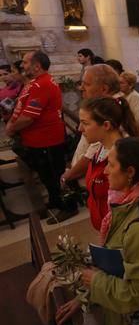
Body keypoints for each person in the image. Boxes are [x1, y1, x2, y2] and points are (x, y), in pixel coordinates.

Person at [55, 137, 139, 325]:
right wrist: (86, 295)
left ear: (130, 172)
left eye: (111, 165)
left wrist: (95, 282)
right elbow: (120, 259)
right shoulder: (135, 198)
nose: (105, 171)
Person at [5, 52, 77, 223]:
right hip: (38, 140)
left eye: (25, 62)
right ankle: (56, 200)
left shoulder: (42, 84)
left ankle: (69, 207)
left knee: (55, 175)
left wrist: (11, 128)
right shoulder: (35, 83)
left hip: (47, 140)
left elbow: (29, 117)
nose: (22, 65)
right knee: (46, 176)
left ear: (37, 66)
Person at [79, 97, 139, 230]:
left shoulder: (122, 157)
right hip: (105, 227)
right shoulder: (101, 148)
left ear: (106, 125)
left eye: (85, 123)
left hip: (119, 230)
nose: (80, 128)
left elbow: (127, 206)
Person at [61, 64, 122, 188]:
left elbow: (90, 157)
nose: (81, 88)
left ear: (104, 89)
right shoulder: (99, 109)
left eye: (86, 84)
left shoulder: (108, 113)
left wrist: (67, 177)